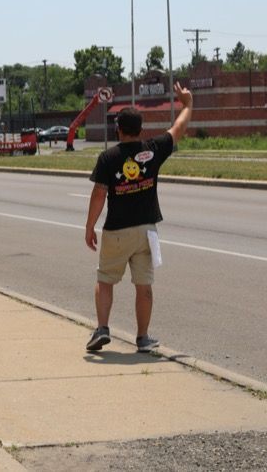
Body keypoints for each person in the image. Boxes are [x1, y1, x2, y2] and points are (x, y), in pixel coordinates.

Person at [84, 81, 193, 353]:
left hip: (117, 230)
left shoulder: (108, 157)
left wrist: (89, 226)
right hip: (146, 230)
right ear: (140, 129)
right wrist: (188, 104)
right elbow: (178, 128)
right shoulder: (154, 149)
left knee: (105, 280)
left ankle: (102, 329)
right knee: (144, 285)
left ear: (118, 129)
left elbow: (99, 194)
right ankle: (143, 338)